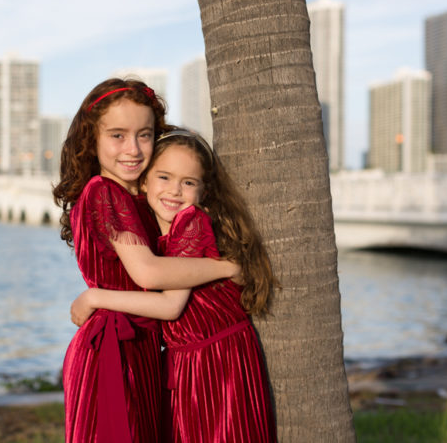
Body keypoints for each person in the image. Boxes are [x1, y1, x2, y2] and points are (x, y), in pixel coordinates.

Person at [53, 80, 240, 443]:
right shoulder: (104, 192)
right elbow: (149, 273)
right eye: (118, 136)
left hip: (138, 346)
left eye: (144, 135)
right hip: (113, 350)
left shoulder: (137, 196)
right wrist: (226, 267)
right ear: (92, 138)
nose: (133, 149)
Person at [71, 130, 278, 442]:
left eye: (189, 182)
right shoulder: (157, 234)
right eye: (164, 177)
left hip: (216, 363)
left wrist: (94, 297)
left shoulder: (191, 223)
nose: (175, 191)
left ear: (203, 191)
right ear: (144, 182)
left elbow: (170, 306)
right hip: (189, 362)